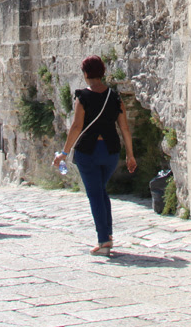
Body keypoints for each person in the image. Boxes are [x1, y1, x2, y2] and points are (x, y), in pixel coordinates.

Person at [54, 55, 137, 255]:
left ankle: (103, 241)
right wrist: (130, 155)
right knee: (101, 191)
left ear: (85, 74)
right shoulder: (115, 97)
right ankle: (107, 236)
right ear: (103, 72)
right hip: (110, 152)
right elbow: (124, 127)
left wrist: (64, 153)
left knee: (95, 195)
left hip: (88, 152)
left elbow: (76, 126)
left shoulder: (82, 97)